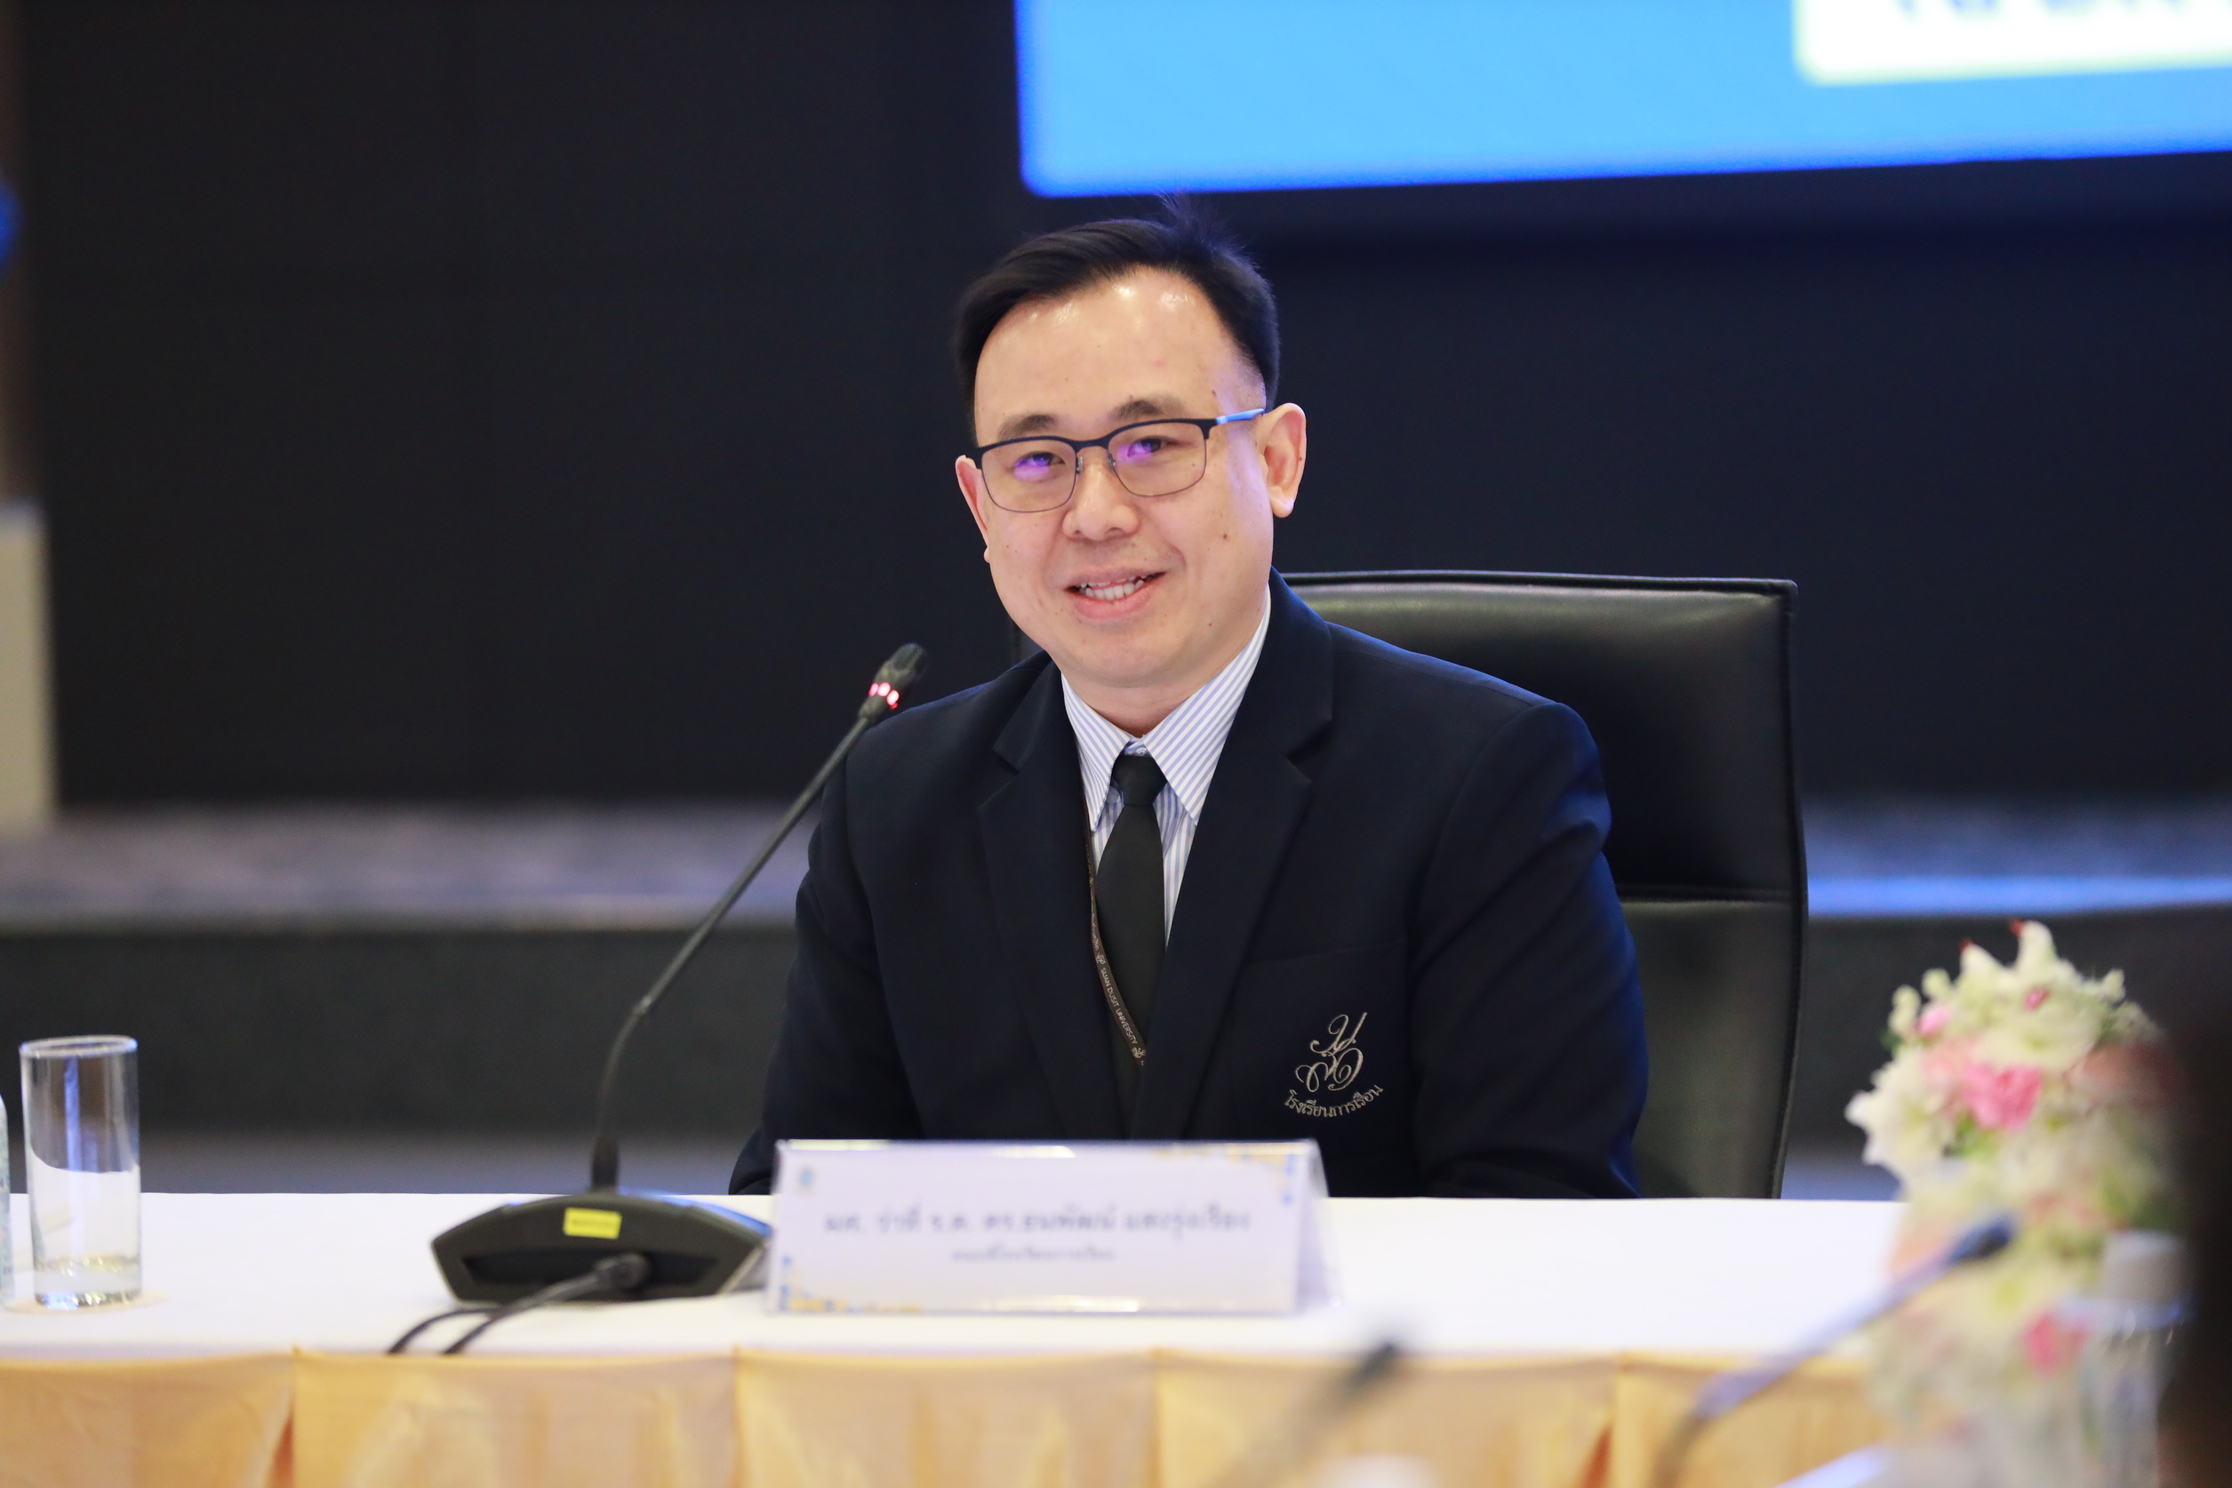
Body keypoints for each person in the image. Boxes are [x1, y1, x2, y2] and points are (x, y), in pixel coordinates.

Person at [731, 207, 1647, 1198]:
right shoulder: (897, 798)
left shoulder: (1481, 777)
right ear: (979, 506)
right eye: (1036, 462)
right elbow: (802, 1199)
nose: (1095, 515)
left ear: (1278, 461)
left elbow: (1536, 1215)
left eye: (1153, 444)